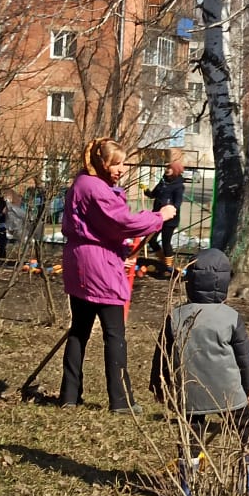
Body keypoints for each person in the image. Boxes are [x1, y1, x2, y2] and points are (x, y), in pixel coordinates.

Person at [59, 138, 176, 414]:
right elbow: (122, 222)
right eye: (117, 163)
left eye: (123, 162)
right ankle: (120, 400)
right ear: (102, 163)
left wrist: (121, 250)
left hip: (80, 261)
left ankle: (69, 395)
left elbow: (103, 227)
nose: (122, 169)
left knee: (79, 330)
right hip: (97, 264)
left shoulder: (82, 183)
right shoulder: (96, 188)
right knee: (114, 333)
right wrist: (159, 216)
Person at [150, 248, 249, 496]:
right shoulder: (231, 317)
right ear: (223, 282)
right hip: (229, 391)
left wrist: (159, 384)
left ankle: (186, 486)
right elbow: (244, 357)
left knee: (190, 435)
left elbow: (162, 354)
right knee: (248, 428)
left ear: (190, 281)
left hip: (189, 390)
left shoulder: (176, 316)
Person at [144, 153, 186, 275]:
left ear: (175, 171)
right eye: (166, 168)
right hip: (157, 216)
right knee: (151, 240)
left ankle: (169, 268)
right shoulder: (163, 182)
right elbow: (154, 194)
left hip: (170, 219)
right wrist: (146, 191)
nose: (167, 170)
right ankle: (163, 260)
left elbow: (178, 203)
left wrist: (170, 209)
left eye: (169, 168)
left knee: (166, 242)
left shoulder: (178, 186)